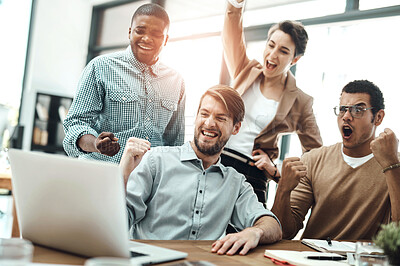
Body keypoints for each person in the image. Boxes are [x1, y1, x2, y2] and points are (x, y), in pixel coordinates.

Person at [120, 85, 282, 255]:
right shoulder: (156, 161)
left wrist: (254, 232)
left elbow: (273, 226)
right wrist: (123, 174)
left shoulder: (236, 183)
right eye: (204, 114)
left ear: (236, 128)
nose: (209, 123)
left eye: (221, 118)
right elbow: (119, 220)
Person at [221, 0, 322, 207]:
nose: (273, 55)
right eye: (271, 45)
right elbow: (231, 35)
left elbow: (316, 155)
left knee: (245, 237)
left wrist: (278, 172)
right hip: (218, 161)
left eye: (284, 51)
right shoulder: (246, 70)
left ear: (295, 60)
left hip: (252, 175)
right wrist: (237, 4)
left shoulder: (301, 101)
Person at [271, 80, 400, 240]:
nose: (346, 117)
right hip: (310, 259)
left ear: (378, 117)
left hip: (363, 261)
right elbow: (284, 232)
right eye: (342, 110)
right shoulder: (313, 160)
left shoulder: (393, 164)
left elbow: (397, 235)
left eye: (357, 110)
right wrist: (283, 189)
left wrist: (392, 166)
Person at [63, 3, 185, 164]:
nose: (146, 38)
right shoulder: (100, 67)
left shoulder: (176, 81)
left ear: (166, 39)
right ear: (130, 32)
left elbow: (174, 142)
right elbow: (75, 123)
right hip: (102, 172)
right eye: (140, 31)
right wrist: (95, 144)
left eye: (156, 34)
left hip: (149, 180)